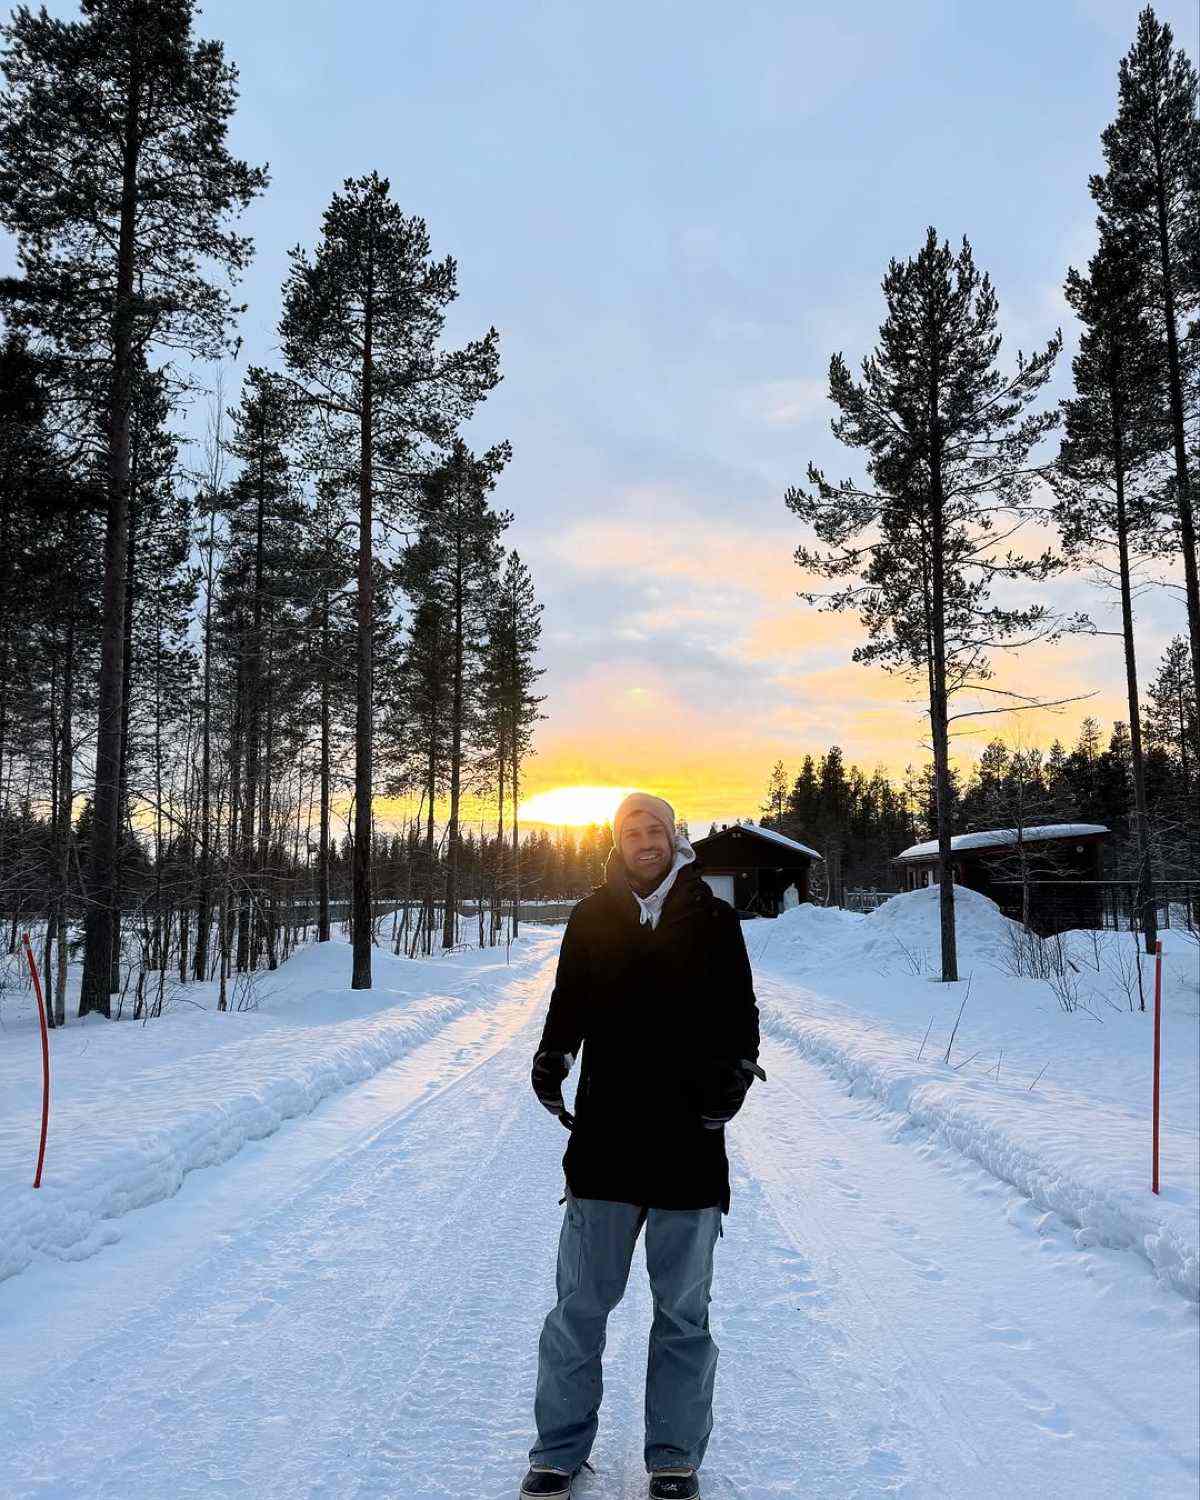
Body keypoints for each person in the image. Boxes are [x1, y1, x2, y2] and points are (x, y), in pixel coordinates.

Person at [519, 792, 763, 1500]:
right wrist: (553, 1057)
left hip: (690, 1143)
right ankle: (557, 1452)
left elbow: (740, 1013)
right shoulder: (592, 915)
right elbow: (569, 1004)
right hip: (607, 1141)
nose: (645, 840)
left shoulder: (713, 919)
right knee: (578, 1308)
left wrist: (736, 1075)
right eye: (633, 830)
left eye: (656, 829)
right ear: (617, 841)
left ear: (673, 836)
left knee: (682, 1315)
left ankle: (674, 1457)